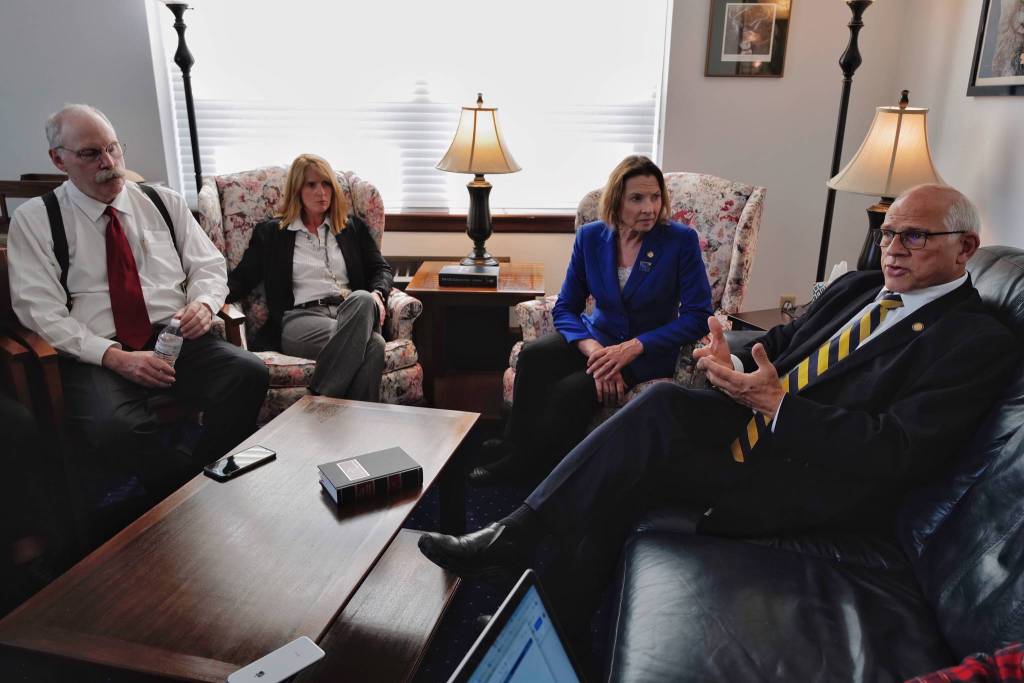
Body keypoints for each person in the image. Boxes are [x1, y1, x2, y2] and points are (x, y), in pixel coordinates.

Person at [418, 184, 1020, 649]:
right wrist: (726, 353)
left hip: (814, 475)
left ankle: (529, 571)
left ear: (964, 247)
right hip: (753, 429)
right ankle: (533, 571)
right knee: (655, 409)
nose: (893, 248)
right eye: (889, 234)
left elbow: (897, 450)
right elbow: (786, 339)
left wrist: (778, 405)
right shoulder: (860, 289)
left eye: (914, 237)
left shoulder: (973, 340)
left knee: (630, 471)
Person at [7, 104, 268, 490]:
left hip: (174, 339)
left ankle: (205, 478)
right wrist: (114, 357)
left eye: (113, 148)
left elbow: (209, 267)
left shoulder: (163, 201)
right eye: (90, 153)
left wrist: (203, 303)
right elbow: (40, 312)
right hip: (97, 352)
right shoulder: (36, 220)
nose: (109, 162)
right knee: (113, 427)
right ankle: (181, 488)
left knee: (248, 374)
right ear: (58, 159)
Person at [471, 155, 713, 484]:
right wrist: (595, 350)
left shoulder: (679, 241)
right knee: (533, 356)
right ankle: (516, 446)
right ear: (616, 200)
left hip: (648, 351)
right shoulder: (591, 237)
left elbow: (699, 316)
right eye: (637, 198)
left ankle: (537, 472)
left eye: (655, 197)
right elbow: (566, 306)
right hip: (598, 338)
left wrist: (633, 348)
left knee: (571, 392)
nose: (649, 208)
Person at [226, 154, 391, 401]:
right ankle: (349, 419)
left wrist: (378, 293)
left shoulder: (350, 228)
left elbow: (381, 269)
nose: (321, 192)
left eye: (326, 184)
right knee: (373, 344)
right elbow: (242, 278)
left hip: (351, 314)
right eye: (311, 185)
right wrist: (209, 300)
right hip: (301, 321)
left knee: (365, 305)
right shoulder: (273, 234)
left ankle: (322, 402)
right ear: (297, 190)